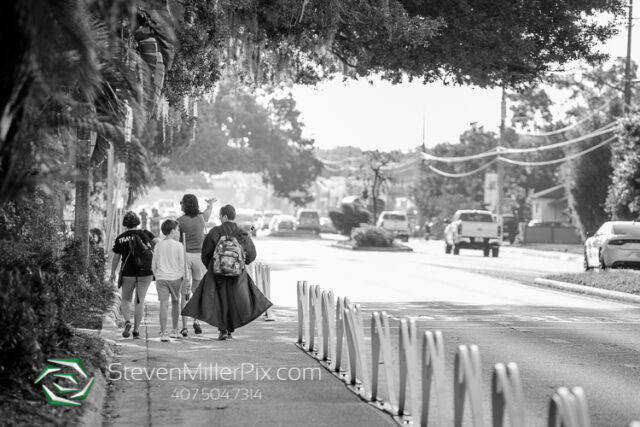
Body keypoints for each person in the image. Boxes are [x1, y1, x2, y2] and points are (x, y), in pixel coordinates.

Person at [182, 204, 272, 341]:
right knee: (234, 300)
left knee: (220, 300)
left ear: (224, 216)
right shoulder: (242, 232)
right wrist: (242, 263)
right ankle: (230, 329)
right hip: (237, 273)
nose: (219, 218)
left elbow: (205, 253)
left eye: (219, 215)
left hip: (217, 272)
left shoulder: (215, 231)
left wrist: (212, 266)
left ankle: (222, 330)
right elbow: (252, 255)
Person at [109, 211, 158, 339]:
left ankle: (127, 322)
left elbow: (115, 258)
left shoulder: (120, 238)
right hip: (146, 272)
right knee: (140, 300)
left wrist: (112, 274)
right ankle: (136, 330)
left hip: (128, 273)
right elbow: (158, 244)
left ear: (125, 223)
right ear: (138, 222)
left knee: (126, 299)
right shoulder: (146, 234)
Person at [177, 194, 216, 336]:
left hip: (185, 256)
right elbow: (208, 212)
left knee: (184, 292)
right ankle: (196, 321)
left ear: (185, 205)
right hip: (200, 257)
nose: (180, 204)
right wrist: (210, 203)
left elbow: (176, 240)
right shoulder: (201, 218)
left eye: (181, 202)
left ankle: (184, 326)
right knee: (196, 290)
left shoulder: (179, 221)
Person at [152, 220, 186, 342]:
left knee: (163, 305)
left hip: (161, 278)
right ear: (172, 231)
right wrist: (183, 278)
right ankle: (175, 330)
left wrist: (157, 275)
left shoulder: (158, 245)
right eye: (177, 230)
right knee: (176, 303)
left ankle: (163, 332)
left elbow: (153, 265)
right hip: (176, 278)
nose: (178, 232)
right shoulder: (179, 245)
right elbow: (182, 264)